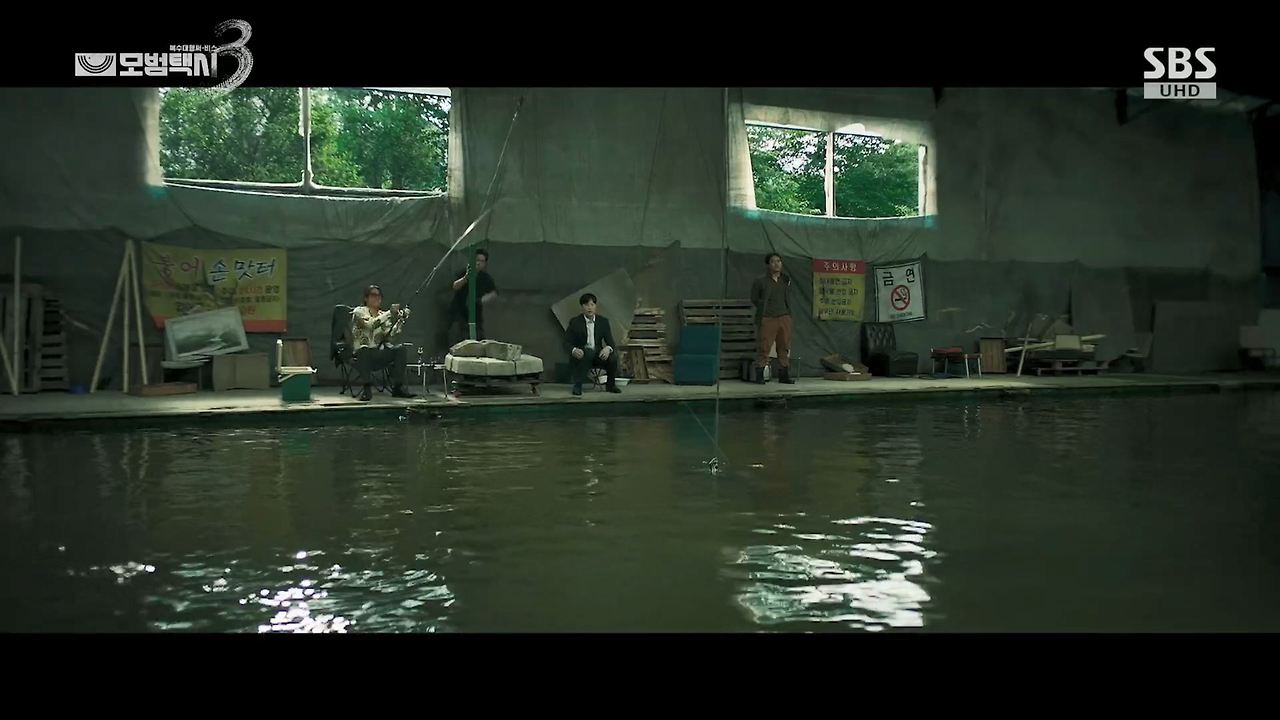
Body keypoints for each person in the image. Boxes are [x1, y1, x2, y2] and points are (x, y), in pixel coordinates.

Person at [350, 284, 416, 401]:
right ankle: (366, 389)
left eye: (379, 296)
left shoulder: (383, 315)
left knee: (400, 349)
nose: (377, 298)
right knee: (364, 349)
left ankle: (398, 388)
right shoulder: (359, 312)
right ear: (366, 298)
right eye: (373, 295)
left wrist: (401, 320)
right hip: (362, 356)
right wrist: (390, 313)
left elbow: (391, 336)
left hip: (378, 354)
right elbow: (371, 325)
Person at [750, 252, 796, 385]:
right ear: (768, 265)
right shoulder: (761, 281)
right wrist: (763, 309)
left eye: (778, 261)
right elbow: (754, 298)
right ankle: (760, 374)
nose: (776, 264)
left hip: (784, 316)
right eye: (773, 261)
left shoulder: (786, 279)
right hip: (768, 317)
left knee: (784, 346)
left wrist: (788, 314)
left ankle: (784, 375)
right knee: (764, 346)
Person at [564, 293, 622, 396]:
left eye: (592, 305)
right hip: (582, 355)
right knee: (588, 352)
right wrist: (574, 350)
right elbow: (566, 342)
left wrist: (608, 348)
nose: (589, 308)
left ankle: (611, 385)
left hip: (598, 355)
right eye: (586, 305)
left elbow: (611, 342)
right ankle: (578, 386)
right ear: (582, 307)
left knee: (612, 357)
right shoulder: (575, 322)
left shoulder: (603, 322)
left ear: (595, 306)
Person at [448, 248, 498, 346]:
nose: (479, 263)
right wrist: (466, 278)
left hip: (475, 315)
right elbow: (454, 286)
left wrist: (481, 300)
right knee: (457, 342)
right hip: (458, 313)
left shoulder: (485, 277)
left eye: (482, 261)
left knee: (477, 342)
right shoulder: (463, 273)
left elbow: (494, 293)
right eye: (477, 260)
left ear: (485, 264)